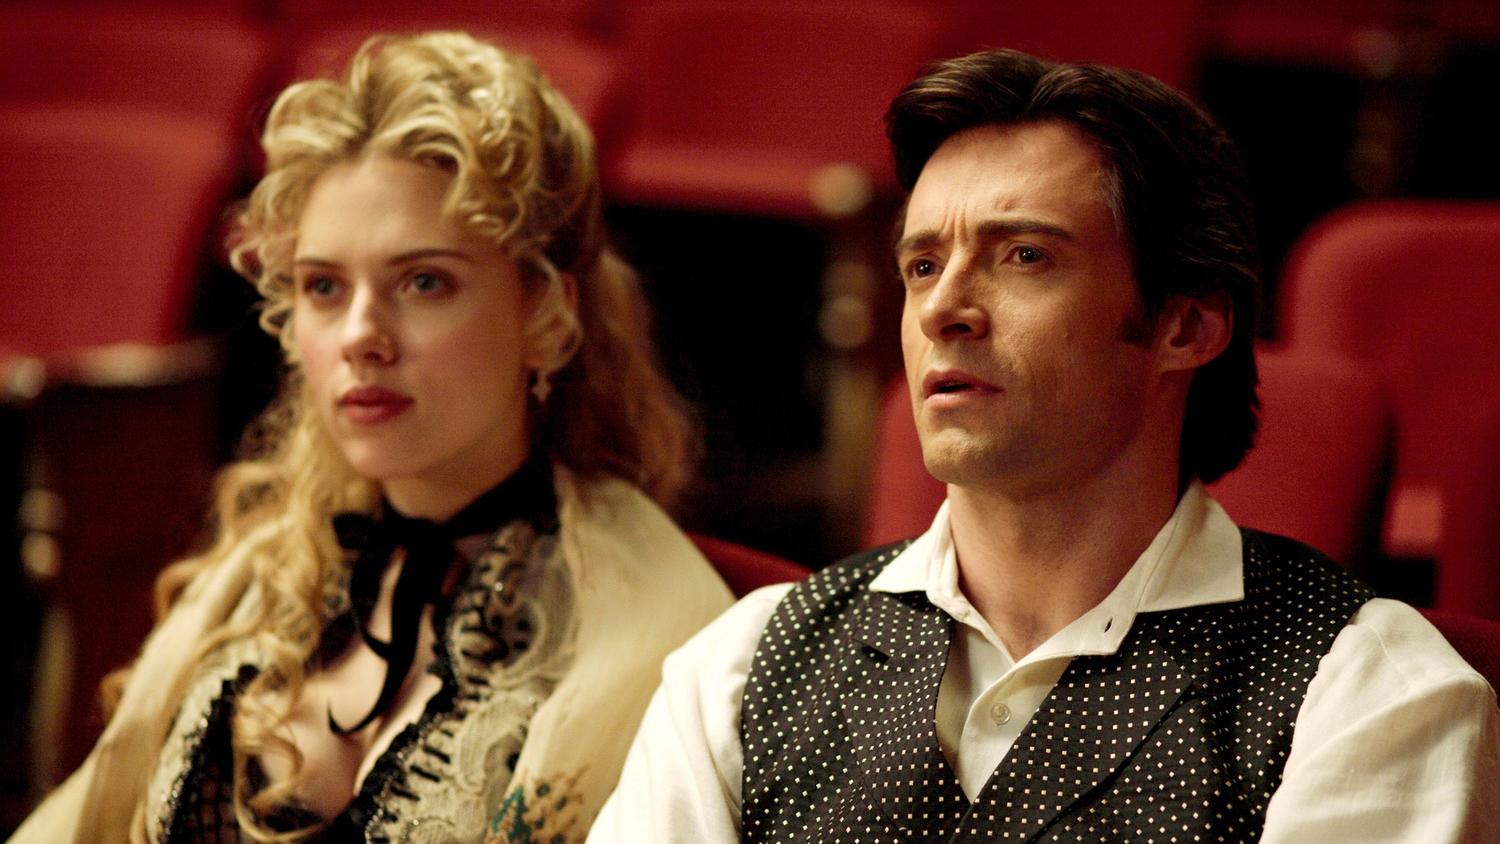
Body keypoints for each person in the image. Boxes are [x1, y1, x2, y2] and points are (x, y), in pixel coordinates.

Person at [588, 49, 1500, 842]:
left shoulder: (1369, 692)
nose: (943, 309)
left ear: (1186, 324)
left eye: (1023, 255)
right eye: (922, 265)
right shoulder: (745, 661)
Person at [13, 31, 733, 843]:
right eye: (323, 286)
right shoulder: (267, 569)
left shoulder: (655, 633)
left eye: (424, 282)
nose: (361, 335)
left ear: (545, 314)